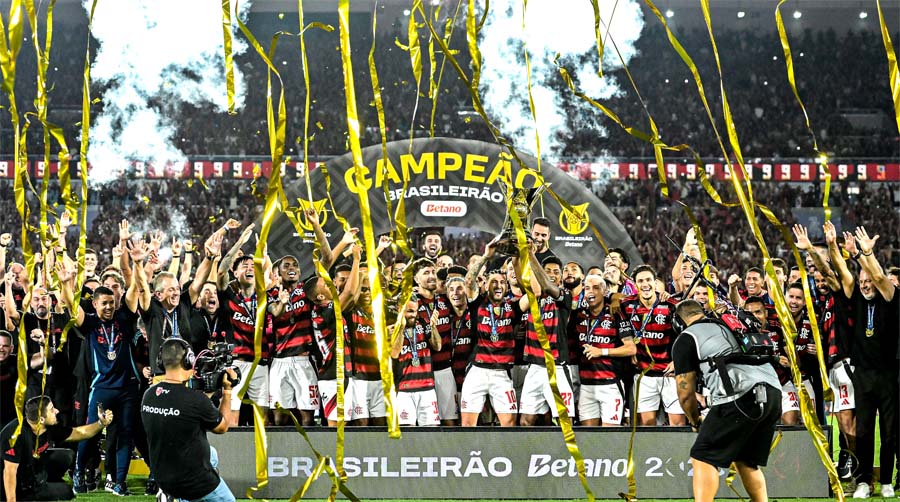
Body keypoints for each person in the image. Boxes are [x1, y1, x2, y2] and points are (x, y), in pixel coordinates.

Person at [672, 300, 781, 502]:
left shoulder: (686, 338)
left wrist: (695, 421)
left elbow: (685, 394)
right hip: (773, 392)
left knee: (702, 456)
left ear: (678, 322)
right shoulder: (731, 324)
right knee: (746, 460)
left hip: (739, 395)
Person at [141, 338, 237, 502]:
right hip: (193, 482)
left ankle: (170, 494)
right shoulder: (195, 400)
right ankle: (187, 497)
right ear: (189, 361)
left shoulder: (149, 395)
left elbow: (183, 408)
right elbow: (222, 427)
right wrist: (227, 391)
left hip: (162, 476)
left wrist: (206, 397)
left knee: (212, 455)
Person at [1, 395, 113, 502]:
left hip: (30, 472)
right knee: (65, 491)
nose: (57, 411)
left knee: (66, 456)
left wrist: (101, 423)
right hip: (8, 484)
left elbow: (79, 432)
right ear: (41, 419)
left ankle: (39, 483)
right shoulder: (15, 435)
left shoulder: (47, 427)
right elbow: (9, 471)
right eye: (51, 409)